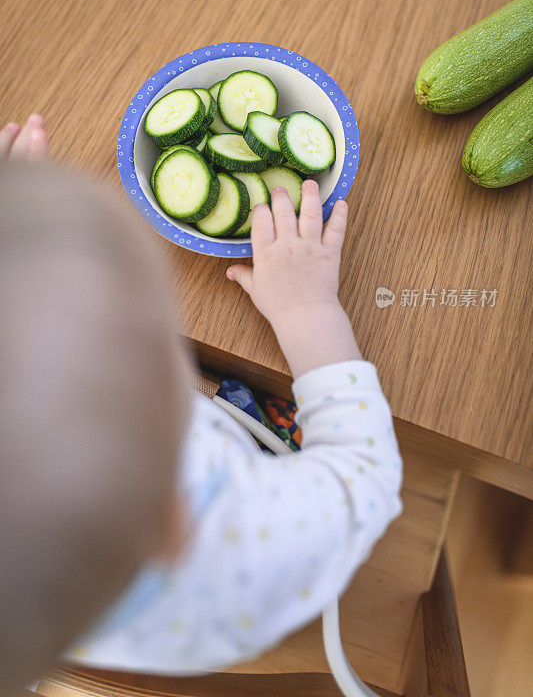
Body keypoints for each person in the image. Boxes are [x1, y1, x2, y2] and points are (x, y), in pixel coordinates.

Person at [0, 115, 402, 693]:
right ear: (173, 521)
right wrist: (306, 311)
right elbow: (365, 474)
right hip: (251, 587)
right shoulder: (252, 535)